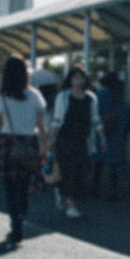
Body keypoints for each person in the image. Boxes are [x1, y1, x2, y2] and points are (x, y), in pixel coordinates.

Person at [0, 56, 47, 244]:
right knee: (25, 185)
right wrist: (44, 146)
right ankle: (22, 217)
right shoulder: (35, 95)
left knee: (11, 188)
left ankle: (15, 223)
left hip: (8, 143)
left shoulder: (1, 96)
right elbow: (41, 125)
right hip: (30, 143)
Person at [47, 65, 106, 218]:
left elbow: (96, 120)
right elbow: (57, 120)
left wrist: (102, 138)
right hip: (65, 140)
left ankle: (62, 193)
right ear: (70, 79)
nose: (78, 80)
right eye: (75, 77)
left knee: (82, 170)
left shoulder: (91, 98)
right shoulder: (64, 97)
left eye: (81, 77)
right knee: (68, 170)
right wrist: (51, 139)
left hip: (82, 141)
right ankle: (70, 204)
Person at [91, 71, 128, 199]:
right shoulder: (120, 97)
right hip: (115, 134)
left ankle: (95, 189)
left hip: (101, 132)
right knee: (113, 165)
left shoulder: (99, 95)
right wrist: (121, 132)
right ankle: (112, 191)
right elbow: (123, 117)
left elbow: (94, 114)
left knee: (98, 162)